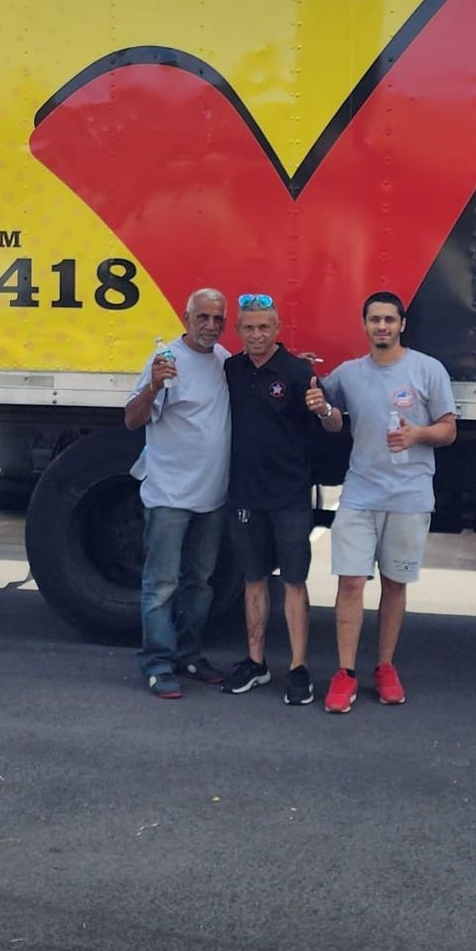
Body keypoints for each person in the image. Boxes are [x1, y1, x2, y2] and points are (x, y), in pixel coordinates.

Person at [307, 291, 457, 713]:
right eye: (374, 320)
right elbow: (333, 419)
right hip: (360, 492)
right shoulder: (350, 374)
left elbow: (449, 430)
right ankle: (345, 673)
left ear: (402, 324)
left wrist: (417, 435)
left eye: (390, 319)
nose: (382, 327)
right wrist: (320, 406)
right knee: (350, 582)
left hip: (410, 496)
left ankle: (385, 667)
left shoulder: (428, 370)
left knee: (394, 584)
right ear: (365, 324)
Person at [124, 288, 231, 698]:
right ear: (186, 318)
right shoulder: (166, 361)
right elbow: (132, 420)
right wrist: (152, 385)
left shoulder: (223, 362)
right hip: (169, 495)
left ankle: (188, 653)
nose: (210, 326)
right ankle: (157, 663)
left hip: (212, 497)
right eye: (202, 317)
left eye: (218, 319)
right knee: (161, 584)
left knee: (200, 583)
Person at [219, 293, 321, 706]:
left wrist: (325, 409)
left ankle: (298, 667)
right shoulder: (231, 369)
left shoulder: (298, 372)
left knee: (294, 582)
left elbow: (328, 422)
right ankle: (256, 663)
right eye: (248, 327)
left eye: (264, 327)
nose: (256, 335)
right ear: (239, 331)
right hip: (245, 494)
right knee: (253, 578)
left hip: (290, 496)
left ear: (277, 330)